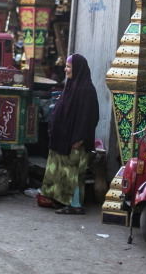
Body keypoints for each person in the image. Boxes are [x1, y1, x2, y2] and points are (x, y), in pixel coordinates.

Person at [40, 54, 99, 214]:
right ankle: (65, 201)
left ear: (78, 69)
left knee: (74, 174)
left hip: (76, 142)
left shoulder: (86, 90)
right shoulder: (71, 86)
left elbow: (89, 118)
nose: (65, 69)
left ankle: (75, 205)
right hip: (64, 140)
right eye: (66, 66)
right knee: (64, 172)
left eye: (68, 67)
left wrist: (79, 138)